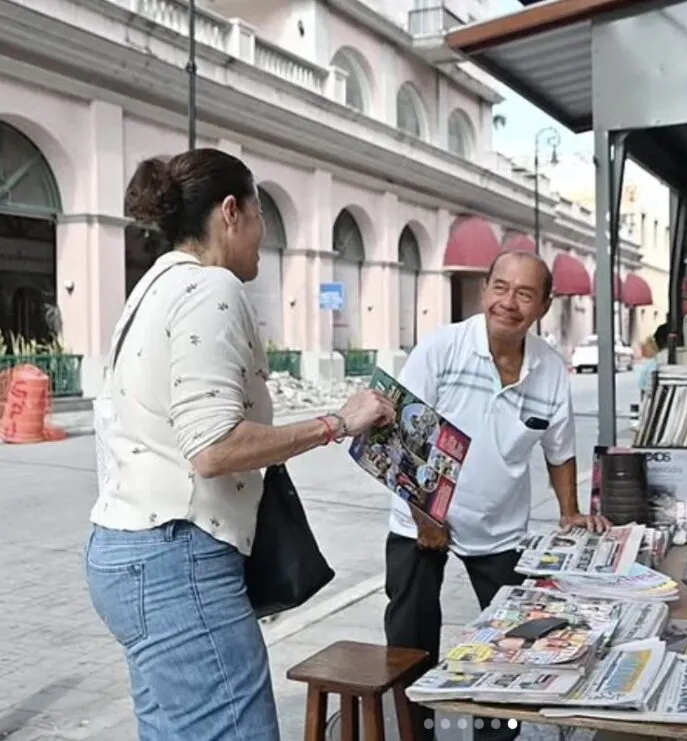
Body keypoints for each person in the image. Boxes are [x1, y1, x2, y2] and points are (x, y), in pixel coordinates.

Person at [85, 149, 395, 741]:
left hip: (129, 554)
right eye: (261, 217)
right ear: (232, 212)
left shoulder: (149, 289)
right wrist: (338, 422)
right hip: (177, 557)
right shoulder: (211, 287)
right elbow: (214, 447)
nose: (261, 236)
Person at [384, 249, 611, 740]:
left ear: (544, 306)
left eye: (525, 293)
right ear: (485, 290)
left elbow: (559, 448)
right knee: (411, 641)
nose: (508, 302)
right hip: (420, 518)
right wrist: (424, 515)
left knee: (516, 645)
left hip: (499, 527)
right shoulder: (440, 349)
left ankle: (496, 735)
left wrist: (570, 512)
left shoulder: (550, 369)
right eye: (500, 287)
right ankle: (416, 734)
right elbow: (400, 437)